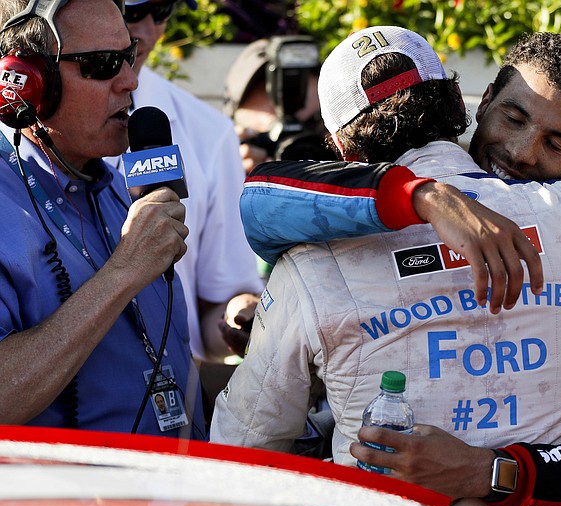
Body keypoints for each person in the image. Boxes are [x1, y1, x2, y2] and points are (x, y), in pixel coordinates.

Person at [212, 26, 561, 506]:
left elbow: (242, 453)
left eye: (556, 142)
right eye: (514, 118)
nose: (522, 152)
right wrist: (423, 195)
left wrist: (488, 473)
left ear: (341, 145)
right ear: (468, 102)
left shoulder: (311, 260)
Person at [0, 0, 204, 438]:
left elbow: (154, 369)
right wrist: (123, 274)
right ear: (29, 80)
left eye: (127, 56)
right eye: (102, 64)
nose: (130, 80)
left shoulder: (119, 186)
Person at [109, 0, 263, 362]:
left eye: (161, 10)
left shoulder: (210, 131)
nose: (147, 32)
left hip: (173, 406)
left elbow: (212, 320)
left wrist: (241, 319)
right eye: (131, 12)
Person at [222, 36, 334, 176]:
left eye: (314, 124)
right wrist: (230, 182)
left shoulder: (359, 177)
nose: (297, 154)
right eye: (278, 134)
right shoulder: (220, 177)